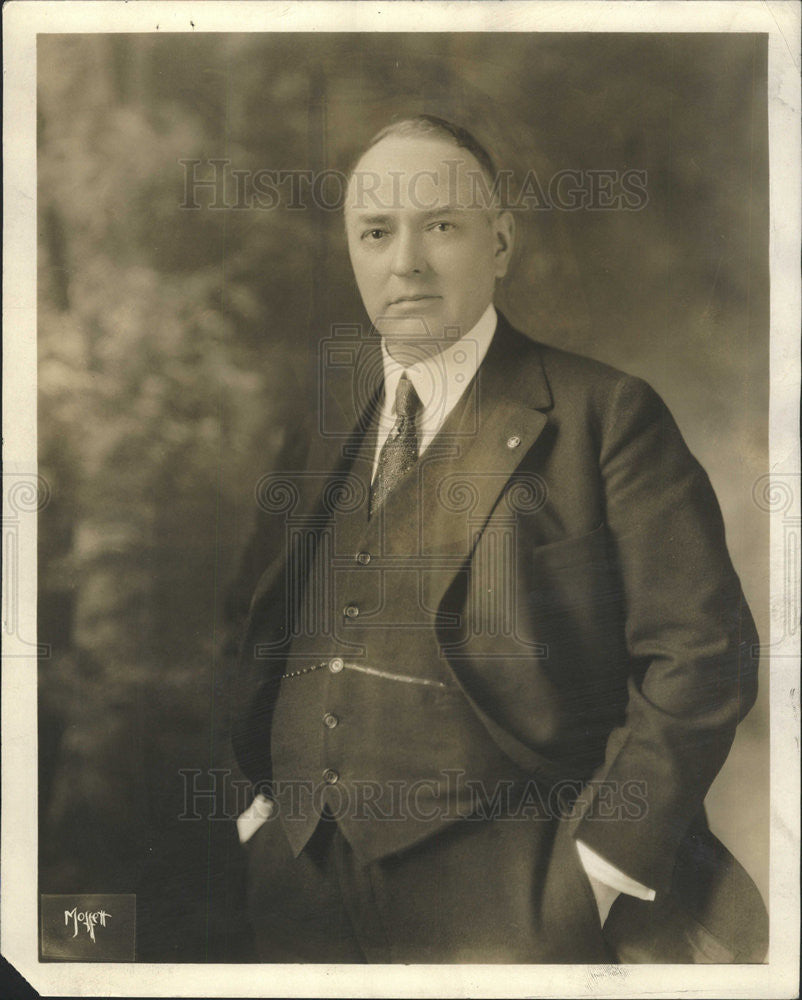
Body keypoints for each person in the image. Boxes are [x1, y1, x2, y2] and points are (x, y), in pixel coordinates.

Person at [227, 115, 767, 963]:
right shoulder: (327, 417)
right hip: (302, 883)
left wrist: (599, 868)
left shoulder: (605, 415)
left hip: (514, 903)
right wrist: (258, 803)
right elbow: (257, 617)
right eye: (376, 232)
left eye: (441, 225)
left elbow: (703, 657)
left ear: (501, 242)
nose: (406, 262)